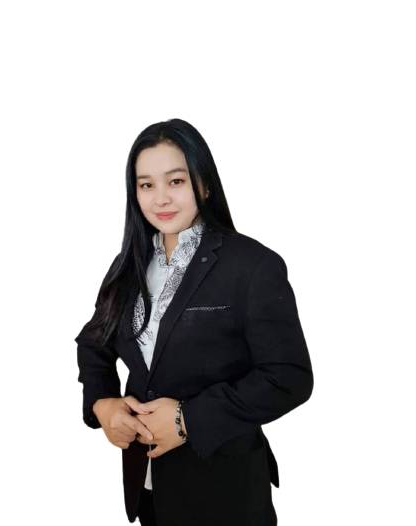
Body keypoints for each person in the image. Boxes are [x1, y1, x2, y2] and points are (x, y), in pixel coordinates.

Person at [75, 118, 314, 526]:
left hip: (225, 494)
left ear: (204, 184)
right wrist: (104, 404)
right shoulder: (130, 264)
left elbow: (288, 377)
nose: (161, 198)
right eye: (146, 185)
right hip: (147, 486)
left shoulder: (252, 266)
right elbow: (94, 342)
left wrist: (188, 420)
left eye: (176, 181)